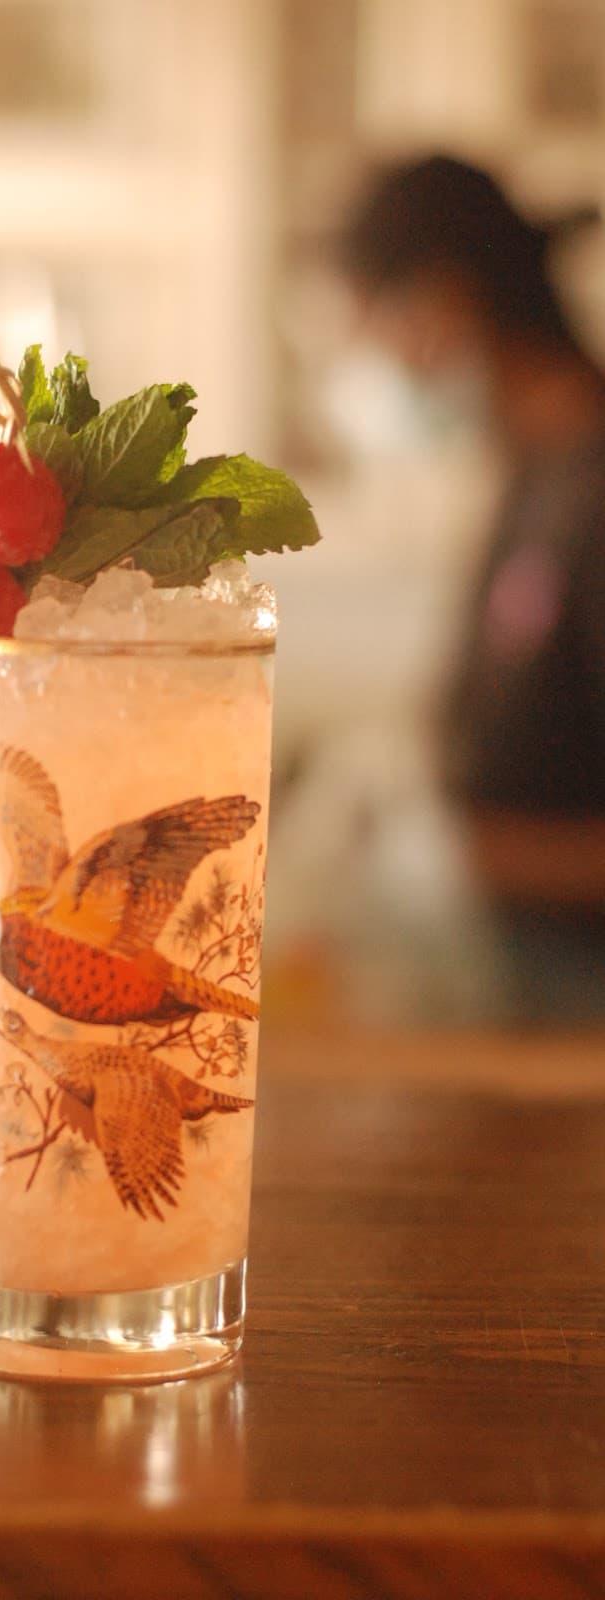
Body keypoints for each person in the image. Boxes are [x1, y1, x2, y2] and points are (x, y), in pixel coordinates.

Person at [340, 154, 605, 1023]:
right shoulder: (532, 476)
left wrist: (464, 855)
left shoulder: (591, 491)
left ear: (443, 301)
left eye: (371, 330)